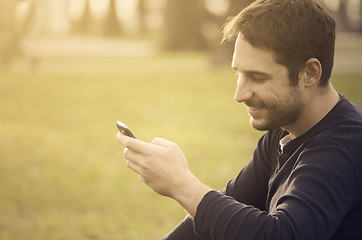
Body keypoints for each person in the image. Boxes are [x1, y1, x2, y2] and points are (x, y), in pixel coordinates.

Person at [117, 0, 362, 239]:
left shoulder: (342, 148)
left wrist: (182, 185)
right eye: (239, 73)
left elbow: (281, 234)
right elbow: (227, 210)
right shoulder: (284, 131)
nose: (239, 95)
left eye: (257, 77)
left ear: (310, 73)